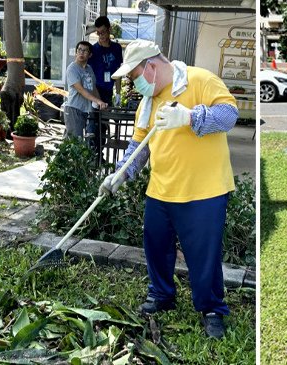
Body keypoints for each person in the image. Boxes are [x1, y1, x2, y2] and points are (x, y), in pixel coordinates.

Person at [98, 40, 238, 339]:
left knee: (204, 255)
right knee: (157, 246)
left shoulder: (200, 80)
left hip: (204, 190)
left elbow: (229, 116)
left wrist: (189, 117)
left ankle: (212, 308)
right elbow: (139, 146)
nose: (133, 84)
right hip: (161, 189)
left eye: (134, 75)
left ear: (150, 67)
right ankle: (162, 295)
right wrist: (120, 175)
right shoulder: (147, 102)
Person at [87, 16, 123, 152]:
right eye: (98, 33)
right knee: (93, 124)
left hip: (108, 91)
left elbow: (119, 71)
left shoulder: (116, 48)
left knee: (104, 125)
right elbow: (88, 74)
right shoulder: (94, 50)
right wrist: (93, 96)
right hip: (95, 91)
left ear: (109, 30)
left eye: (103, 32)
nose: (101, 36)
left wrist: (118, 93)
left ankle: (99, 154)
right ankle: (91, 154)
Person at [64, 41, 108, 138]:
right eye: (79, 50)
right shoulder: (72, 69)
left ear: (90, 55)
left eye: (85, 51)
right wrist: (97, 101)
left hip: (87, 110)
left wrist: (101, 103)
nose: (81, 52)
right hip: (74, 109)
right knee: (74, 141)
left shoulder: (89, 69)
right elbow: (80, 90)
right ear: (76, 52)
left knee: (88, 141)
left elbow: (93, 88)